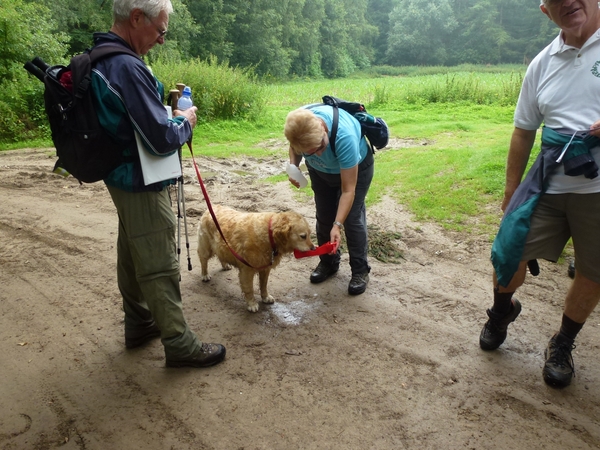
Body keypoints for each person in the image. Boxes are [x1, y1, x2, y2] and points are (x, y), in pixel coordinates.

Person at [91, 0, 225, 367]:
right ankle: (180, 345)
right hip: (140, 177)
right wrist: (184, 121)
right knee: (158, 260)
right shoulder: (126, 66)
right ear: (137, 18)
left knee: (133, 249)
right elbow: (161, 139)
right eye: (161, 30)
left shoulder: (100, 56)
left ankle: (139, 324)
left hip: (118, 174)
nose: (162, 40)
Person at [480, 0, 600, 388]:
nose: (568, 1)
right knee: (508, 250)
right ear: (545, 10)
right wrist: (511, 191)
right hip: (547, 183)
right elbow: (523, 130)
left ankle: (563, 342)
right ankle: (502, 312)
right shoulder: (543, 63)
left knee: (594, 272)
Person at [284, 105, 374, 295]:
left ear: (323, 128)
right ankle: (328, 263)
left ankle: (360, 271)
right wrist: (294, 166)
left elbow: (348, 190)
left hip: (355, 171)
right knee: (324, 217)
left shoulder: (344, 136)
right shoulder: (299, 124)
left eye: (320, 147)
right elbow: (293, 146)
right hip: (321, 173)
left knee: (352, 219)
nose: (318, 154)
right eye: (309, 151)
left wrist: (338, 225)